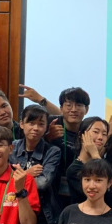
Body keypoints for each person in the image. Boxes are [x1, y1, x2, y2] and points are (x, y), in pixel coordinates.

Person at [11, 105, 61, 224]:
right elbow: (4, 181)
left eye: (41, 124)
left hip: (44, 213)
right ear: (21, 124)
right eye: (31, 123)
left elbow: (43, 183)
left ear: (46, 127)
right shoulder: (12, 147)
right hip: (12, 208)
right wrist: (27, 173)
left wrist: (19, 178)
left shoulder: (53, 151)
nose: (36, 128)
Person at [46, 87, 90, 217]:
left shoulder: (90, 130)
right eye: (69, 105)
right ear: (61, 108)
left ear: (87, 109)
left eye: (79, 105)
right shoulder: (51, 124)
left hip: (80, 190)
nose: (73, 109)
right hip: (53, 191)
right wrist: (47, 137)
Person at [57, 159, 112, 224]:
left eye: (98, 180)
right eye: (87, 179)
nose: (91, 186)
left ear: (109, 183)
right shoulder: (69, 212)